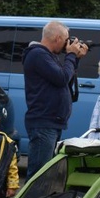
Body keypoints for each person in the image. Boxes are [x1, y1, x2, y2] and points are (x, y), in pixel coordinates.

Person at [22, 21, 88, 179]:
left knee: (45, 174)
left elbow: (65, 79)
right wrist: (71, 55)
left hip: (51, 123)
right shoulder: (38, 54)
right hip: (43, 123)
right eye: (66, 40)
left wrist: (75, 59)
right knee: (39, 175)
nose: (67, 44)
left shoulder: (48, 56)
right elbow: (62, 78)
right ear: (58, 38)